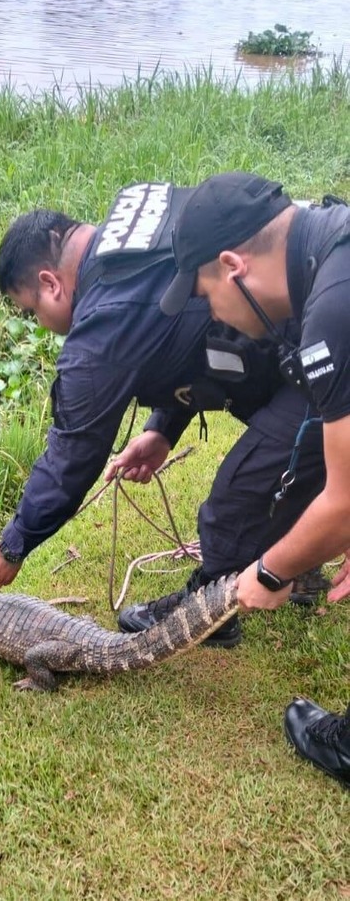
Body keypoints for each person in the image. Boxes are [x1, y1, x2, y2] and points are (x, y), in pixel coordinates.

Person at [0, 181, 327, 651]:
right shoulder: (136, 215)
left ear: (50, 283)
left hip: (322, 354)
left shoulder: (100, 328)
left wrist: (13, 545)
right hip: (299, 328)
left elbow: (73, 452)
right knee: (277, 466)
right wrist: (161, 428)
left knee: (235, 501)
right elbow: (183, 334)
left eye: (32, 310)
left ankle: (211, 608)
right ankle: (298, 565)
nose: (41, 323)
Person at [160, 169, 350, 788]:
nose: (211, 312)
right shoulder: (332, 242)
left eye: (206, 294)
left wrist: (269, 572)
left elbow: (342, 503)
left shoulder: (331, 312)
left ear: (233, 266)